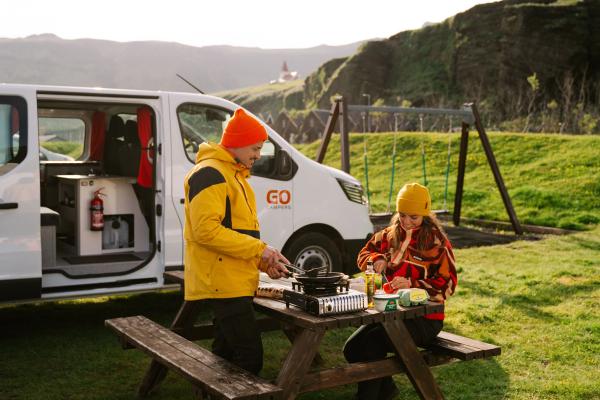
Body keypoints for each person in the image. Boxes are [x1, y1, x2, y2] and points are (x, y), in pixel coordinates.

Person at [183, 108, 290, 375]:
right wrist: (261, 249)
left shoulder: (233, 175)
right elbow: (205, 232)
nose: (258, 155)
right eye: (255, 148)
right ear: (238, 143)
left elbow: (239, 234)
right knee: (249, 357)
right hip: (223, 283)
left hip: (233, 280)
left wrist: (263, 262)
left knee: (226, 356)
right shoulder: (210, 173)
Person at [343, 183, 458, 400]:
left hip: (424, 320)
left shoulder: (437, 243)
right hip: (389, 313)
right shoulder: (389, 235)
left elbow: (448, 284)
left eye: (413, 217)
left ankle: (368, 397)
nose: (406, 222)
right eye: (402, 215)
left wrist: (413, 283)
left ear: (425, 213)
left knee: (371, 345)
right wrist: (375, 259)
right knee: (351, 349)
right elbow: (364, 253)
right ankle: (386, 390)